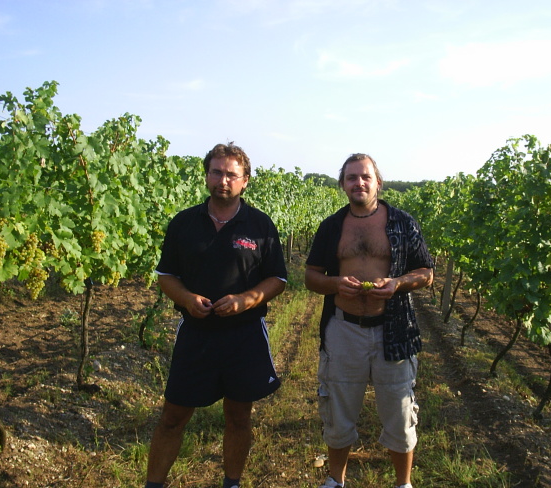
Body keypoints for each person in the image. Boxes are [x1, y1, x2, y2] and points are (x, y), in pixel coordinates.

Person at [144, 143, 287, 488]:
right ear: (207, 175)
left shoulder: (260, 225)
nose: (223, 180)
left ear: (245, 181)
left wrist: (246, 300)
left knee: (238, 417)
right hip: (196, 335)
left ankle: (232, 483)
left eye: (231, 174)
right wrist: (186, 298)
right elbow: (166, 275)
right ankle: (154, 484)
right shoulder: (184, 223)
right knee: (172, 417)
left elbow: (278, 279)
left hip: (244, 336)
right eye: (217, 172)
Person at [305, 153, 434, 488]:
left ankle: (403, 483)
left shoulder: (403, 223)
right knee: (338, 409)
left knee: (400, 411)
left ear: (378, 182)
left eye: (365, 177)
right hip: (343, 329)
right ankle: (336, 480)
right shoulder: (332, 226)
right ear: (342, 184)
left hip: (393, 329)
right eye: (351, 177)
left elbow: (426, 272)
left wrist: (397, 284)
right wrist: (336, 284)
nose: (359, 183)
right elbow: (311, 276)